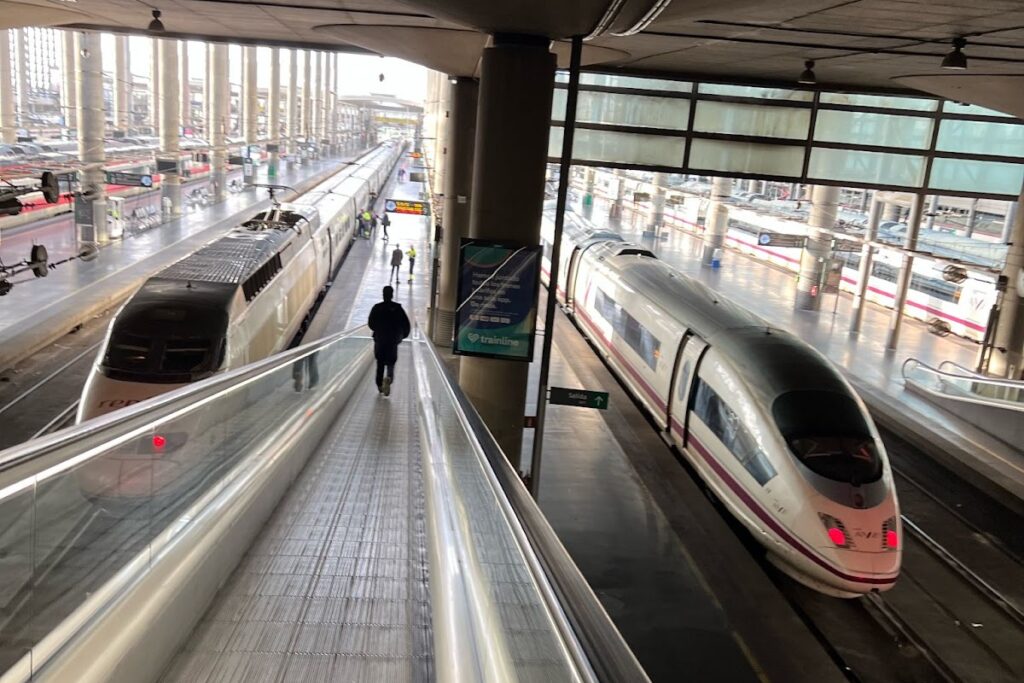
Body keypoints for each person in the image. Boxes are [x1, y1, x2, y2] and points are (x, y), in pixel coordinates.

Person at [367, 286, 411, 397]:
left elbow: (370, 323)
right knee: (391, 362)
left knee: (380, 363)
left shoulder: (377, 308)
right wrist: (401, 336)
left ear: (383, 294)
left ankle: (379, 385)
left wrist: (378, 330)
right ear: (392, 295)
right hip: (392, 341)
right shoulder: (398, 308)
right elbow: (406, 324)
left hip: (380, 340)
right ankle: (389, 378)